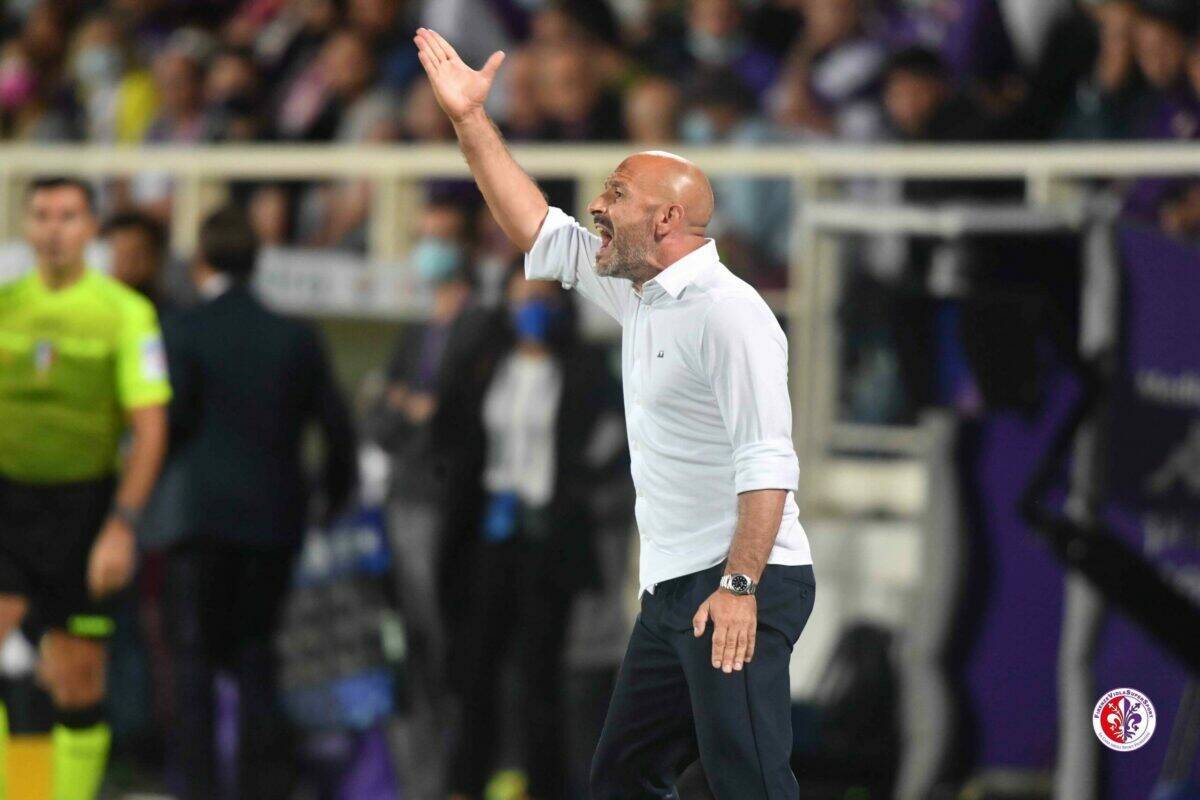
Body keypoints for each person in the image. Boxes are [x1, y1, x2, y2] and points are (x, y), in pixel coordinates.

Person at [414, 28, 817, 800]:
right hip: (670, 592)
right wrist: (469, 120)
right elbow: (534, 225)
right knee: (624, 780)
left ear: (666, 220)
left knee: (750, 785)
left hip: (737, 583)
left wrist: (739, 587)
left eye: (617, 194)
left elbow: (768, 460)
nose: (597, 206)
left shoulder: (730, 313)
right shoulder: (639, 294)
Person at [160, 205, 357, 800]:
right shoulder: (294, 335)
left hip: (197, 520)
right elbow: (337, 429)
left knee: (194, 658)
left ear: (201, 260)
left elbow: (170, 422)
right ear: (257, 261)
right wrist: (333, 498)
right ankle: (261, 786)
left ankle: (197, 787)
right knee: (257, 654)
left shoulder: (183, 329)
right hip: (274, 520)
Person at [0, 176, 171, 800]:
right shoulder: (6, 305)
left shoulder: (125, 313)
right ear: (26, 226)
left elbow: (150, 429)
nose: (54, 228)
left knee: (76, 674)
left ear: (92, 228)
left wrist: (123, 524)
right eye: (42, 215)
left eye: (68, 216)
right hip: (7, 502)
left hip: (84, 511)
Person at [447, 266, 617, 800]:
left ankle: (543, 783)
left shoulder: (581, 369)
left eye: (542, 300)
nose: (532, 312)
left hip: (546, 537)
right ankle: (468, 779)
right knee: (478, 666)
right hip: (492, 532)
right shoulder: (488, 364)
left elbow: (604, 441)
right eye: (523, 300)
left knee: (539, 671)